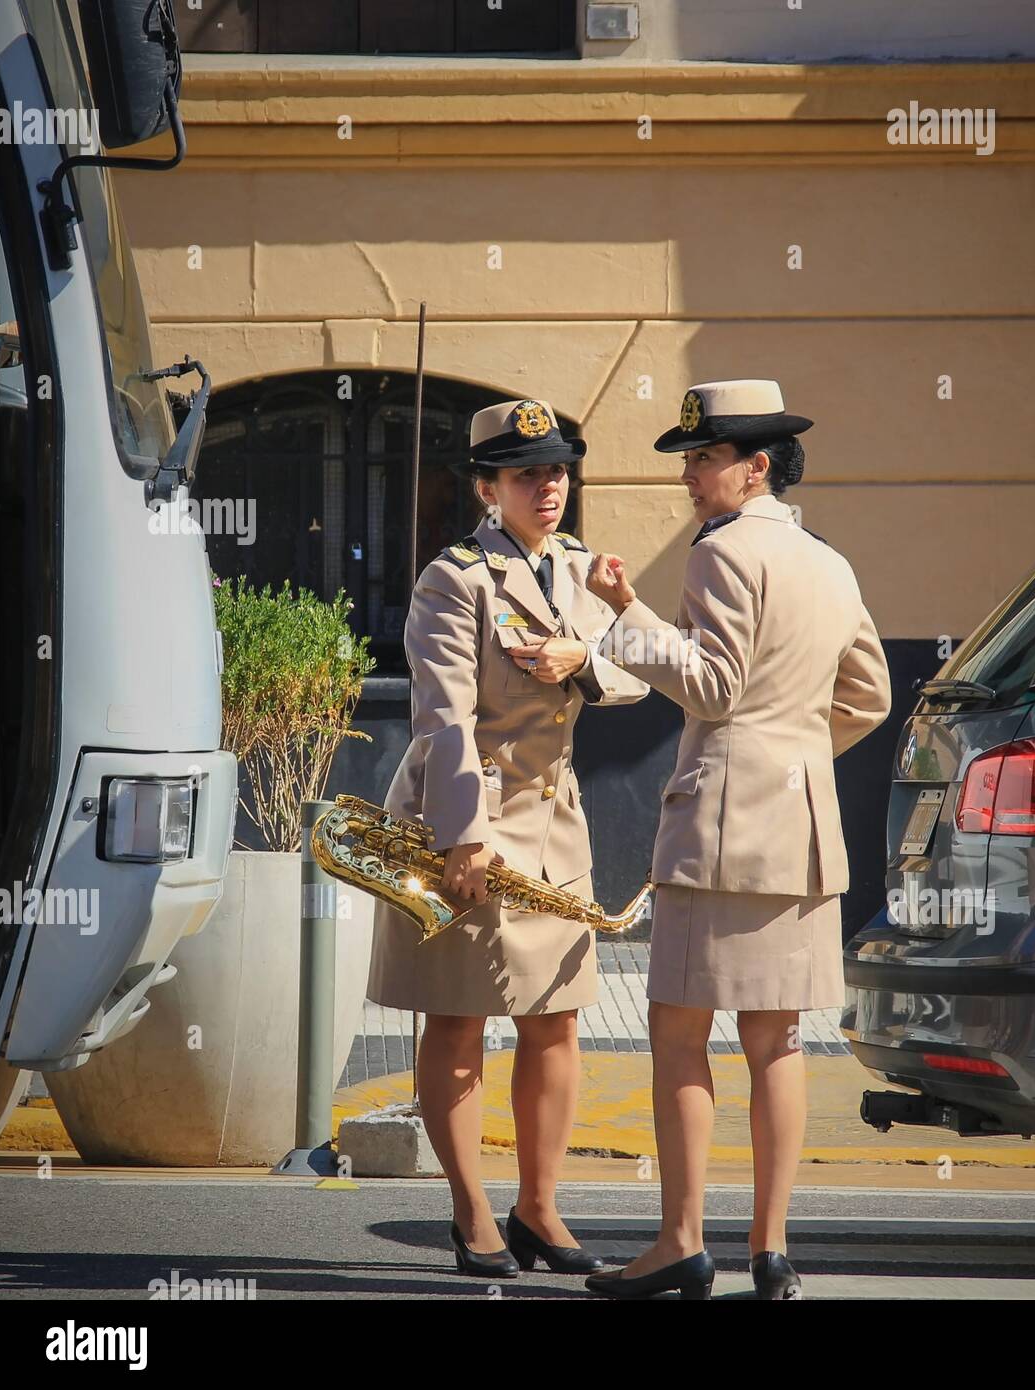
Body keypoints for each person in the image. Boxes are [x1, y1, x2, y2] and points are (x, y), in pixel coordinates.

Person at [583, 379, 891, 1300]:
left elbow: (711, 688)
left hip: (720, 825)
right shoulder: (830, 563)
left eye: (703, 456)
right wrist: (792, 747)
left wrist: (625, 615)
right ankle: (771, 1250)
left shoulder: (720, 553)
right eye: (689, 456)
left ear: (757, 466)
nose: (689, 474)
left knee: (678, 1037)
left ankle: (681, 1242)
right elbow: (869, 696)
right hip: (799, 829)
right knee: (779, 1044)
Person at [367, 398, 648, 1279]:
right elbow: (441, 718)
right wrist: (462, 836)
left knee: (556, 1020)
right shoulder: (455, 578)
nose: (549, 486)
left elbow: (637, 671)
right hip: (468, 818)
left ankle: (539, 1204)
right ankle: (471, 1211)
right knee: (457, 1020)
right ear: (488, 487)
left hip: (555, 819)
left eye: (559, 469)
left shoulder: (579, 568)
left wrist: (586, 662)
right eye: (528, 473)